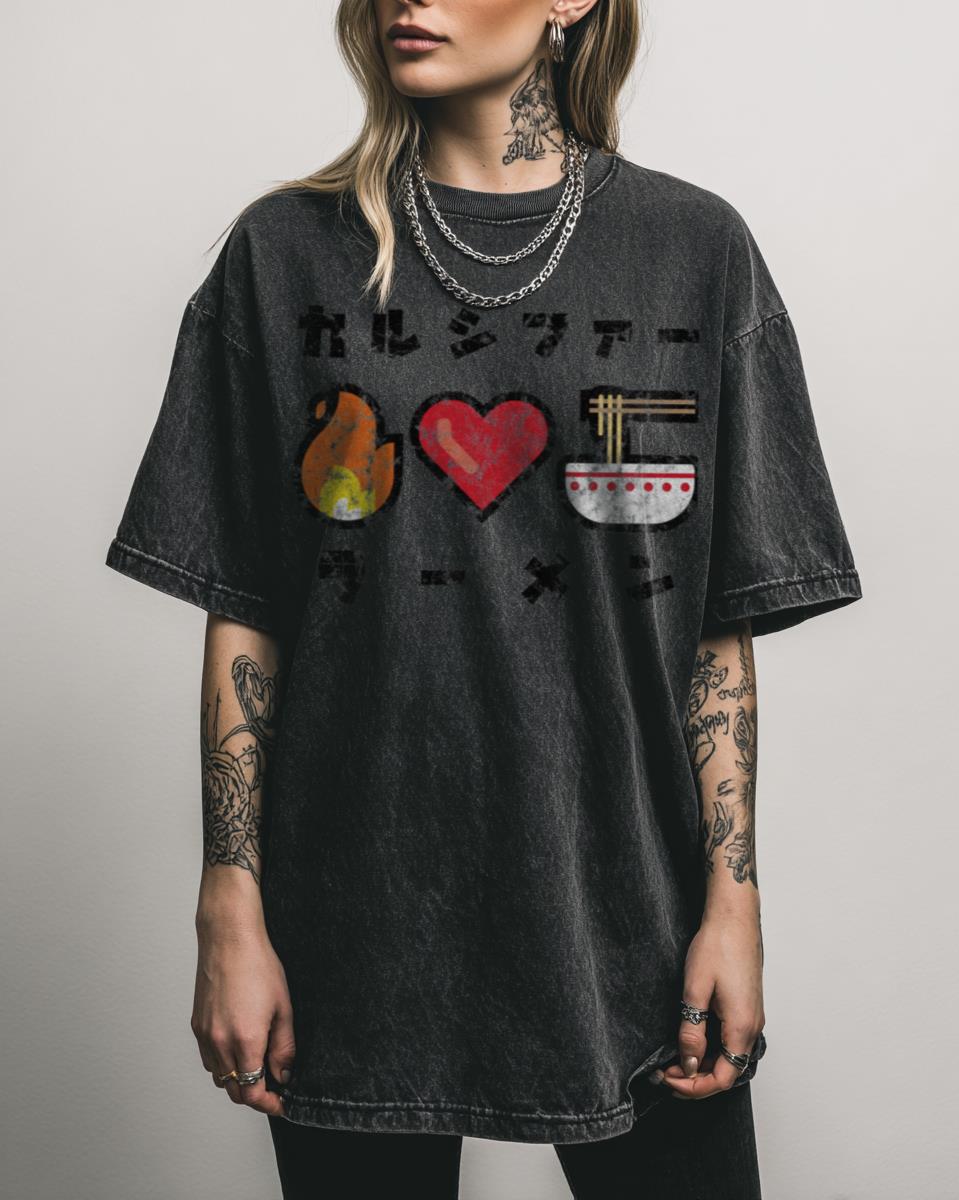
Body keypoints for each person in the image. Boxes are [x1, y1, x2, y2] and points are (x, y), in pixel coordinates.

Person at [104, 0, 863, 1196]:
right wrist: (229, 904)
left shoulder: (694, 250)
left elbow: (714, 629)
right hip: (350, 923)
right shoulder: (284, 253)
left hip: (631, 918)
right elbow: (245, 606)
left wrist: (734, 902)